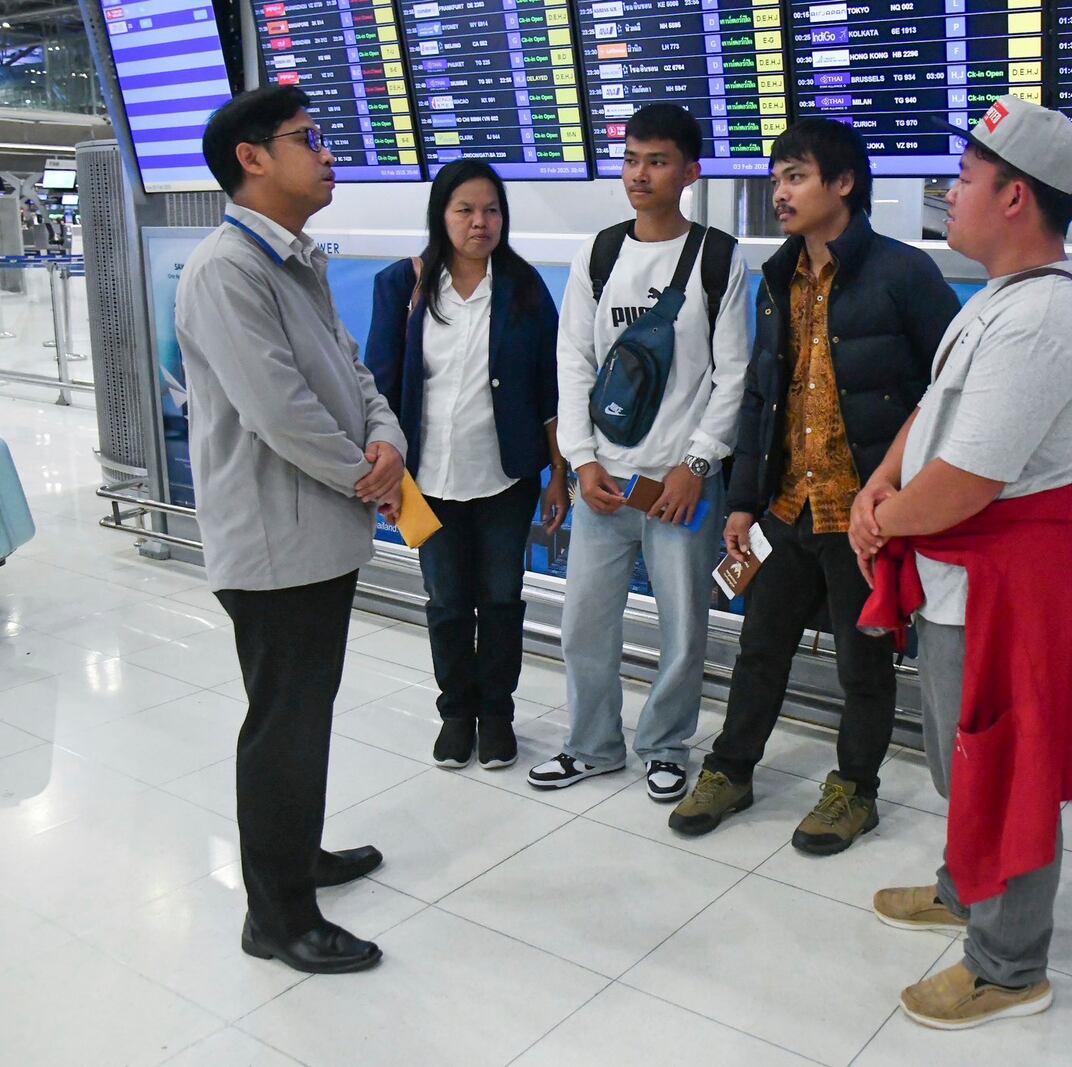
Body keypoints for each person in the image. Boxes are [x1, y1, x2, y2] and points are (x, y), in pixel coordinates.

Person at [851, 97, 1072, 1028]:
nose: (947, 192)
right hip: (958, 573)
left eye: (963, 179)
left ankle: (1009, 965)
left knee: (1011, 763)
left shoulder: (1047, 318)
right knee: (961, 756)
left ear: (1015, 198)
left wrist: (884, 521)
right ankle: (967, 885)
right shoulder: (995, 304)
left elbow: (967, 481)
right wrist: (878, 487)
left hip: (1011, 583)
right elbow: (930, 423)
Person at [669, 118, 960, 853]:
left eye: (795, 176)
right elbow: (759, 397)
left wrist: (906, 496)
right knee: (760, 649)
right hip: (787, 506)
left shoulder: (904, 275)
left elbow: (953, 392)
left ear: (843, 184)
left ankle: (855, 789)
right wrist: (741, 501)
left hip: (863, 513)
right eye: (775, 179)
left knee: (865, 663)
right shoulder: (774, 278)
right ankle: (731, 769)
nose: (781, 192)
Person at [176, 86, 406, 975]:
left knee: (304, 717)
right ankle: (275, 915)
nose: (325, 152)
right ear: (252, 158)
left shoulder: (295, 260)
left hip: (318, 532)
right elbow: (281, 409)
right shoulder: (225, 270)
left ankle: (295, 856)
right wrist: (365, 469)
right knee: (282, 724)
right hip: (274, 544)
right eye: (307, 139)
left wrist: (383, 439)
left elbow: (351, 375)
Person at [528, 103, 749, 801]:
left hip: (678, 487)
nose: (639, 174)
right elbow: (572, 361)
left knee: (684, 629)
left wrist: (697, 464)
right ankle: (592, 745)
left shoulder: (718, 256)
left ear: (690, 170)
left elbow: (733, 372)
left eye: (656, 161)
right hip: (604, 484)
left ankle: (664, 744)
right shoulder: (598, 253)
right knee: (583, 624)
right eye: (630, 159)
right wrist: (581, 460)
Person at [364, 160, 568, 772]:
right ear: (441, 215)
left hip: (506, 477)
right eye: (465, 210)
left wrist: (558, 475)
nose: (480, 223)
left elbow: (550, 392)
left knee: (502, 598)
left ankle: (497, 714)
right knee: (447, 600)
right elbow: (379, 384)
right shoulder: (403, 284)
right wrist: (384, 473)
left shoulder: (526, 287)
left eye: (491, 211)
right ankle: (456, 713)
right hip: (425, 481)